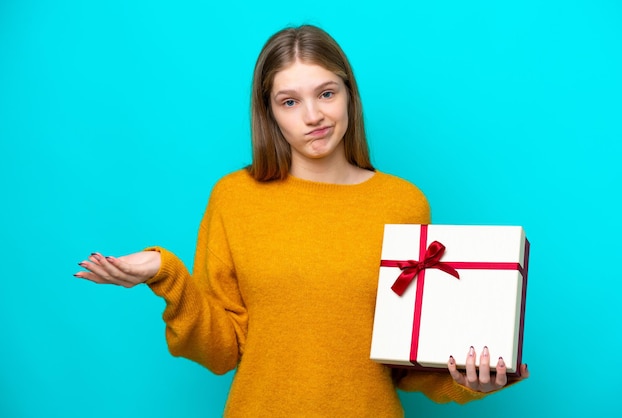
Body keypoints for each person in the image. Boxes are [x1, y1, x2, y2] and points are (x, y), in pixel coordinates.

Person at [75, 24, 529, 417]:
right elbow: (223, 349)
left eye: (326, 94)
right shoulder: (234, 198)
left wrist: (472, 381)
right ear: (268, 112)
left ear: (349, 93)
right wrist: (167, 274)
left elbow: (406, 361)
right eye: (289, 102)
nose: (313, 116)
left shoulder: (403, 203)